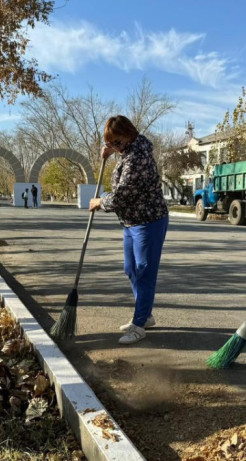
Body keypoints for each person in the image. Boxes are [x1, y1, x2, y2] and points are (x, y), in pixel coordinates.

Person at [89, 115, 169, 345]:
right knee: (130, 269)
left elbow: (122, 195)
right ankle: (146, 314)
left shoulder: (138, 157)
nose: (114, 147)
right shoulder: (127, 151)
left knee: (144, 272)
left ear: (129, 134)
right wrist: (111, 152)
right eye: (111, 143)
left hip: (149, 221)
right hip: (131, 222)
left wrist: (99, 202)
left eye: (117, 143)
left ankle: (139, 323)